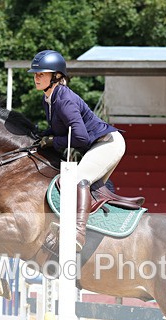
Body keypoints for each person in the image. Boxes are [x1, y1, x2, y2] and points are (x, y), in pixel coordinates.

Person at [30, 49, 126, 251]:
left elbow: (80, 137)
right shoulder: (48, 99)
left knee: (78, 180)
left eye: (41, 74)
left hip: (108, 144)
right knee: (91, 187)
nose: (36, 78)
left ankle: (78, 233)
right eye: (35, 74)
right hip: (96, 145)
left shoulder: (64, 100)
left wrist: (53, 141)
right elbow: (58, 130)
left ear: (56, 76)